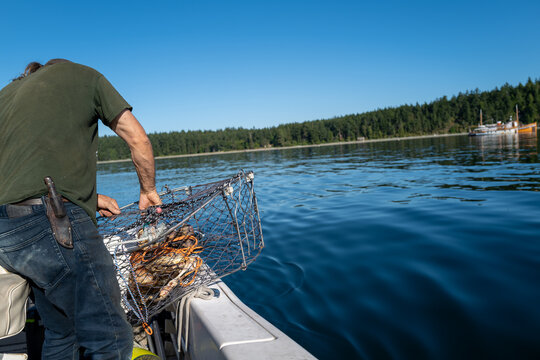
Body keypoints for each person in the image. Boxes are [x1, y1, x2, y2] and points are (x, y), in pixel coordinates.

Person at [0, 59, 161, 359]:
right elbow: (138, 139)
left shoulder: (7, 95)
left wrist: (89, 197)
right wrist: (148, 190)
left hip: (7, 233)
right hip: (53, 227)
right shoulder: (83, 76)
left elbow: (22, 169)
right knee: (109, 336)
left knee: (62, 334)